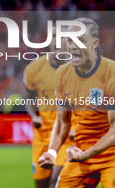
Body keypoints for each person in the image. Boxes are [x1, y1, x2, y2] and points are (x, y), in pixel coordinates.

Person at [38, 18, 115, 188]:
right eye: (69, 40)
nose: (72, 46)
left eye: (80, 40)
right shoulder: (62, 74)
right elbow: (62, 122)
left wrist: (87, 154)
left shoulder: (111, 73)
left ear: (95, 43)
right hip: (81, 153)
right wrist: (51, 152)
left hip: (112, 156)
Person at [24, 25, 76, 188]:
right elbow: (28, 98)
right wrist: (34, 116)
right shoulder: (34, 68)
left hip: (67, 135)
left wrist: (77, 126)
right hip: (42, 135)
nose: (58, 41)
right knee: (42, 184)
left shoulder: (79, 70)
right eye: (54, 36)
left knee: (56, 181)